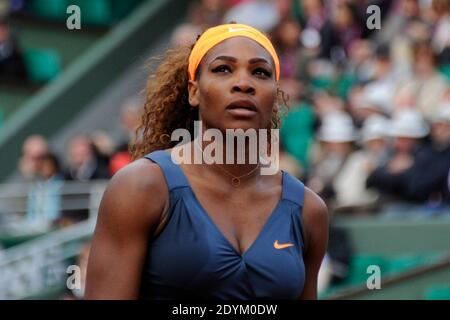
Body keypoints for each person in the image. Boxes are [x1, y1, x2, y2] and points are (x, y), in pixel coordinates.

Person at [85, 23, 329, 300]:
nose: (243, 83)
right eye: (223, 69)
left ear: (275, 98)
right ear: (194, 91)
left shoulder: (309, 210)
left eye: (260, 72)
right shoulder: (140, 186)